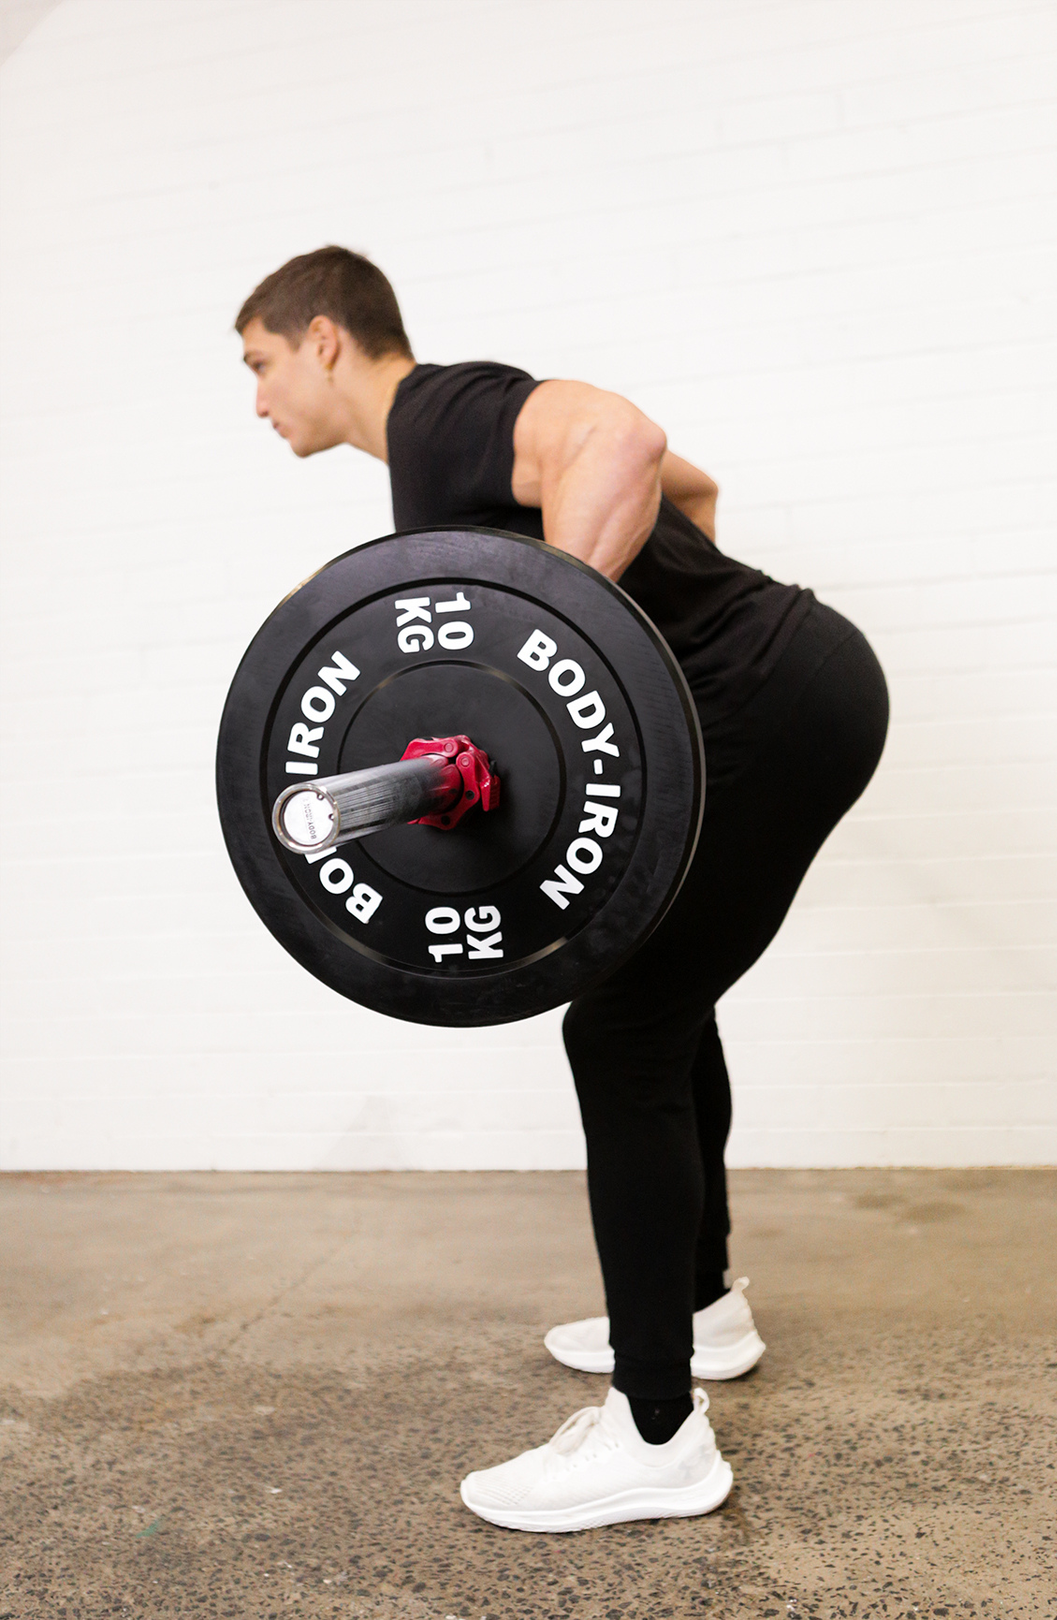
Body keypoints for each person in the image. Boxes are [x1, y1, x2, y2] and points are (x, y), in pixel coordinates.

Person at [235, 246, 889, 1533]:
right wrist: (638, 654)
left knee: (621, 1023)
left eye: (259, 365)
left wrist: (560, 650)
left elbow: (630, 440)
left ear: (325, 339)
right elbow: (693, 485)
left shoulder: (439, 413)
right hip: (786, 687)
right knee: (658, 989)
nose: (257, 402)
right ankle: (700, 1312)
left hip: (777, 697)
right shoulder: (432, 474)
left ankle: (657, 1433)